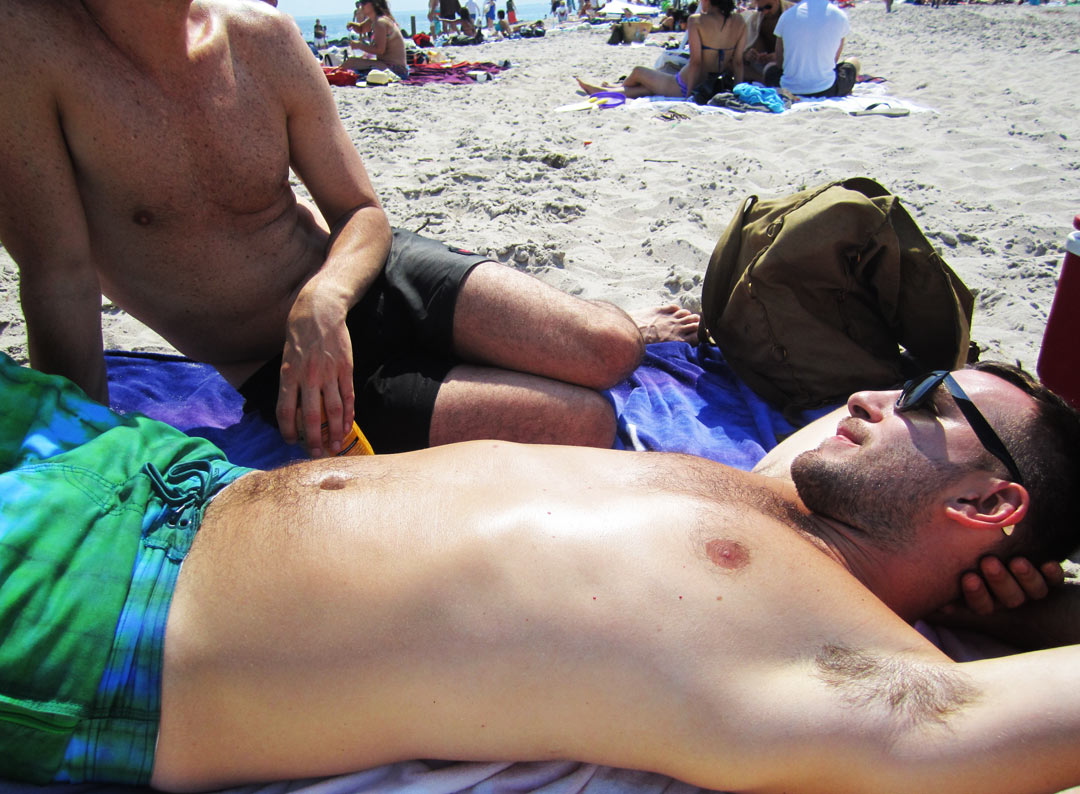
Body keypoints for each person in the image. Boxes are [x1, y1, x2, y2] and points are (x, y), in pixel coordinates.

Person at [4, 351, 1080, 789]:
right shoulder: (775, 499)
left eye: (930, 402)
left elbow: (994, 722)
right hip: (152, 469)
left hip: (107, 608)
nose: (871, 396)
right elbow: (817, 443)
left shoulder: (847, 666)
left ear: (989, 503)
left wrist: (1041, 621)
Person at [0, 0, 673, 460]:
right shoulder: (28, 43)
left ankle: (618, 322)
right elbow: (58, 277)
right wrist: (86, 453)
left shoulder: (262, 37)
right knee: (583, 422)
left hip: (369, 276)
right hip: (283, 368)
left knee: (612, 347)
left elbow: (361, 212)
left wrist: (323, 298)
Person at [576, 0, 746, 98]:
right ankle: (609, 90)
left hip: (686, 84)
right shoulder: (740, 21)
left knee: (638, 72)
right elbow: (738, 63)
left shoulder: (697, 20)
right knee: (646, 89)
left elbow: (696, 62)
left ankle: (611, 89)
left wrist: (688, 96)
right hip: (713, 85)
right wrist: (737, 93)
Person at [763, 0, 858, 97]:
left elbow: (780, 61)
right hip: (827, 88)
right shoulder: (840, 15)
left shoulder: (786, 16)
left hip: (789, 89)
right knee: (854, 62)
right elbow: (834, 60)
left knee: (769, 68)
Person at [342, 0, 408, 80]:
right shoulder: (374, 20)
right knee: (351, 63)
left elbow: (379, 50)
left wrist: (359, 45)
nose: (361, 5)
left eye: (364, 2)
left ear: (374, 3)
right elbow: (361, 28)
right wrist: (353, 25)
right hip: (388, 66)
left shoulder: (380, 22)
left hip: (395, 69)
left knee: (351, 62)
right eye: (361, 1)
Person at [741, 0, 792, 83]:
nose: (765, 12)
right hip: (763, 69)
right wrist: (748, 55)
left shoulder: (793, 13)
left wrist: (779, 55)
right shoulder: (755, 20)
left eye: (768, 7)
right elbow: (742, 52)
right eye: (760, 9)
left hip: (790, 65)